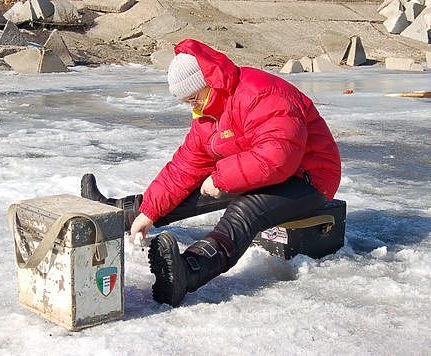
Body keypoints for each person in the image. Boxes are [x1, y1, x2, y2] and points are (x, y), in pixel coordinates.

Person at [81, 39, 341, 307]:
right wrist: (149, 212)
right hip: (263, 169)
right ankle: (123, 214)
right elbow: (185, 167)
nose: (192, 107)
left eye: (193, 98)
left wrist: (221, 177)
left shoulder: (260, 93)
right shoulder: (208, 112)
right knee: (193, 186)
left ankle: (190, 270)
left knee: (245, 209)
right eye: (187, 102)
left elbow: (279, 157)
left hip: (309, 178)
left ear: (209, 82)